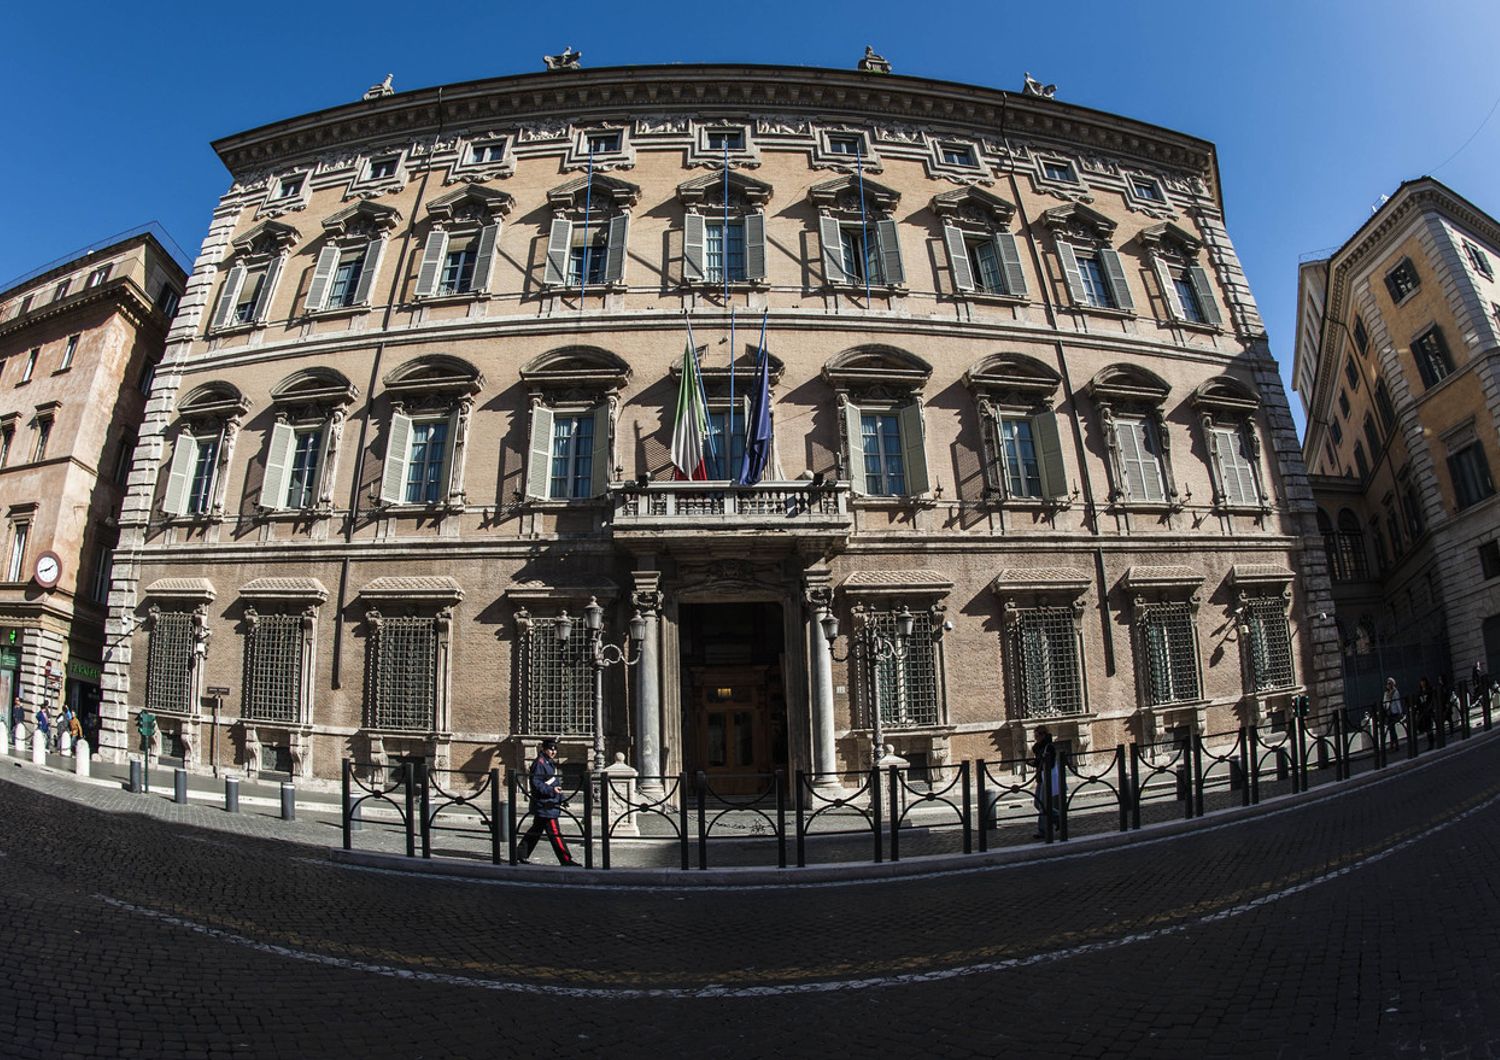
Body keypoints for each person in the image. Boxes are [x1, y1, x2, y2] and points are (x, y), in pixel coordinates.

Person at [518, 738, 579, 866]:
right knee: (555, 833)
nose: (553, 751)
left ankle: (519, 854)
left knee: (536, 831)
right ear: (544, 749)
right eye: (551, 749)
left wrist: (561, 798)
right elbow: (536, 784)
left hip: (549, 802)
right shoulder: (540, 763)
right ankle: (566, 860)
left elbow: (554, 782)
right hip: (545, 805)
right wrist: (552, 791)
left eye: (555, 749)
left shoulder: (548, 762)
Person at [1031, 726, 1061, 840]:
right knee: (1037, 804)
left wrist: (1040, 762)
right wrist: (1033, 763)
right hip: (1040, 778)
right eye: (1035, 735)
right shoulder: (1037, 747)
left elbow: (1051, 763)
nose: (1035, 738)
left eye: (1037, 735)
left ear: (1043, 735)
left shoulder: (1049, 747)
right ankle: (1058, 818)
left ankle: (1043, 830)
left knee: (1043, 805)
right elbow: (1039, 762)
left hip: (1047, 778)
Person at [1381, 677, 1404, 751]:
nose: (1388, 685)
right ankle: (1394, 744)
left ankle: (1394, 744)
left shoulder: (1395, 692)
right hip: (1388, 711)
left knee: (1392, 729)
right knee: (1391, 729)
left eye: (1389, 683)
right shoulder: (1386, 693)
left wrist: (1400, 712)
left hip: (1394, 712)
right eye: (1387, 683)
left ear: (1392, 684)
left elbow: (1397, 702)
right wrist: (1385, 707)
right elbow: (1384, 702)